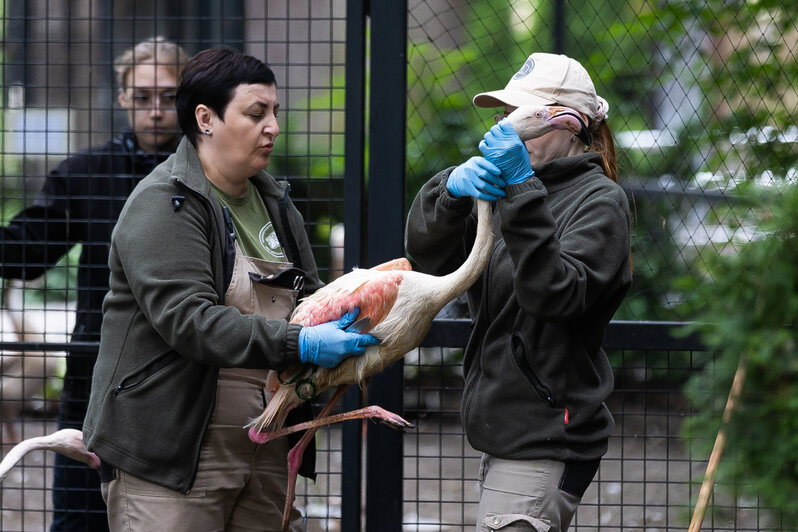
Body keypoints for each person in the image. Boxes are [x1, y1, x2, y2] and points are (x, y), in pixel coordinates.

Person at [82, 46, 378, 531]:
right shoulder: (164, 204)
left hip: (267, 439)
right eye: (256, 113)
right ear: (206, 118)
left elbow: (311, 296)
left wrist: (349, 316)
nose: (273, 127)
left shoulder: (276, 202)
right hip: (175, 452)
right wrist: (298, 342)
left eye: (275, 113)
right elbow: (189, 320)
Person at [405, 52, 632, 531]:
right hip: (508, 436)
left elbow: (554, 294)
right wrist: (451, 191)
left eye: (520, 115)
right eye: (503, 115)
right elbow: (427, 256)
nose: (507, 127)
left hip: (548, 437)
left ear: (569, 123)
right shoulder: (511, 189)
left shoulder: (600, 202)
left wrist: (522, 188)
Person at [0, 37, 188, 531]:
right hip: (95, 377)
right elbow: (30, 249)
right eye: (142, 97)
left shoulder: (211, 175)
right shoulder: (86, 173)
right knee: (80, 518)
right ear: (123, 98)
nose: (155, 111)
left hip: (186, 377)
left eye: (168, 97)